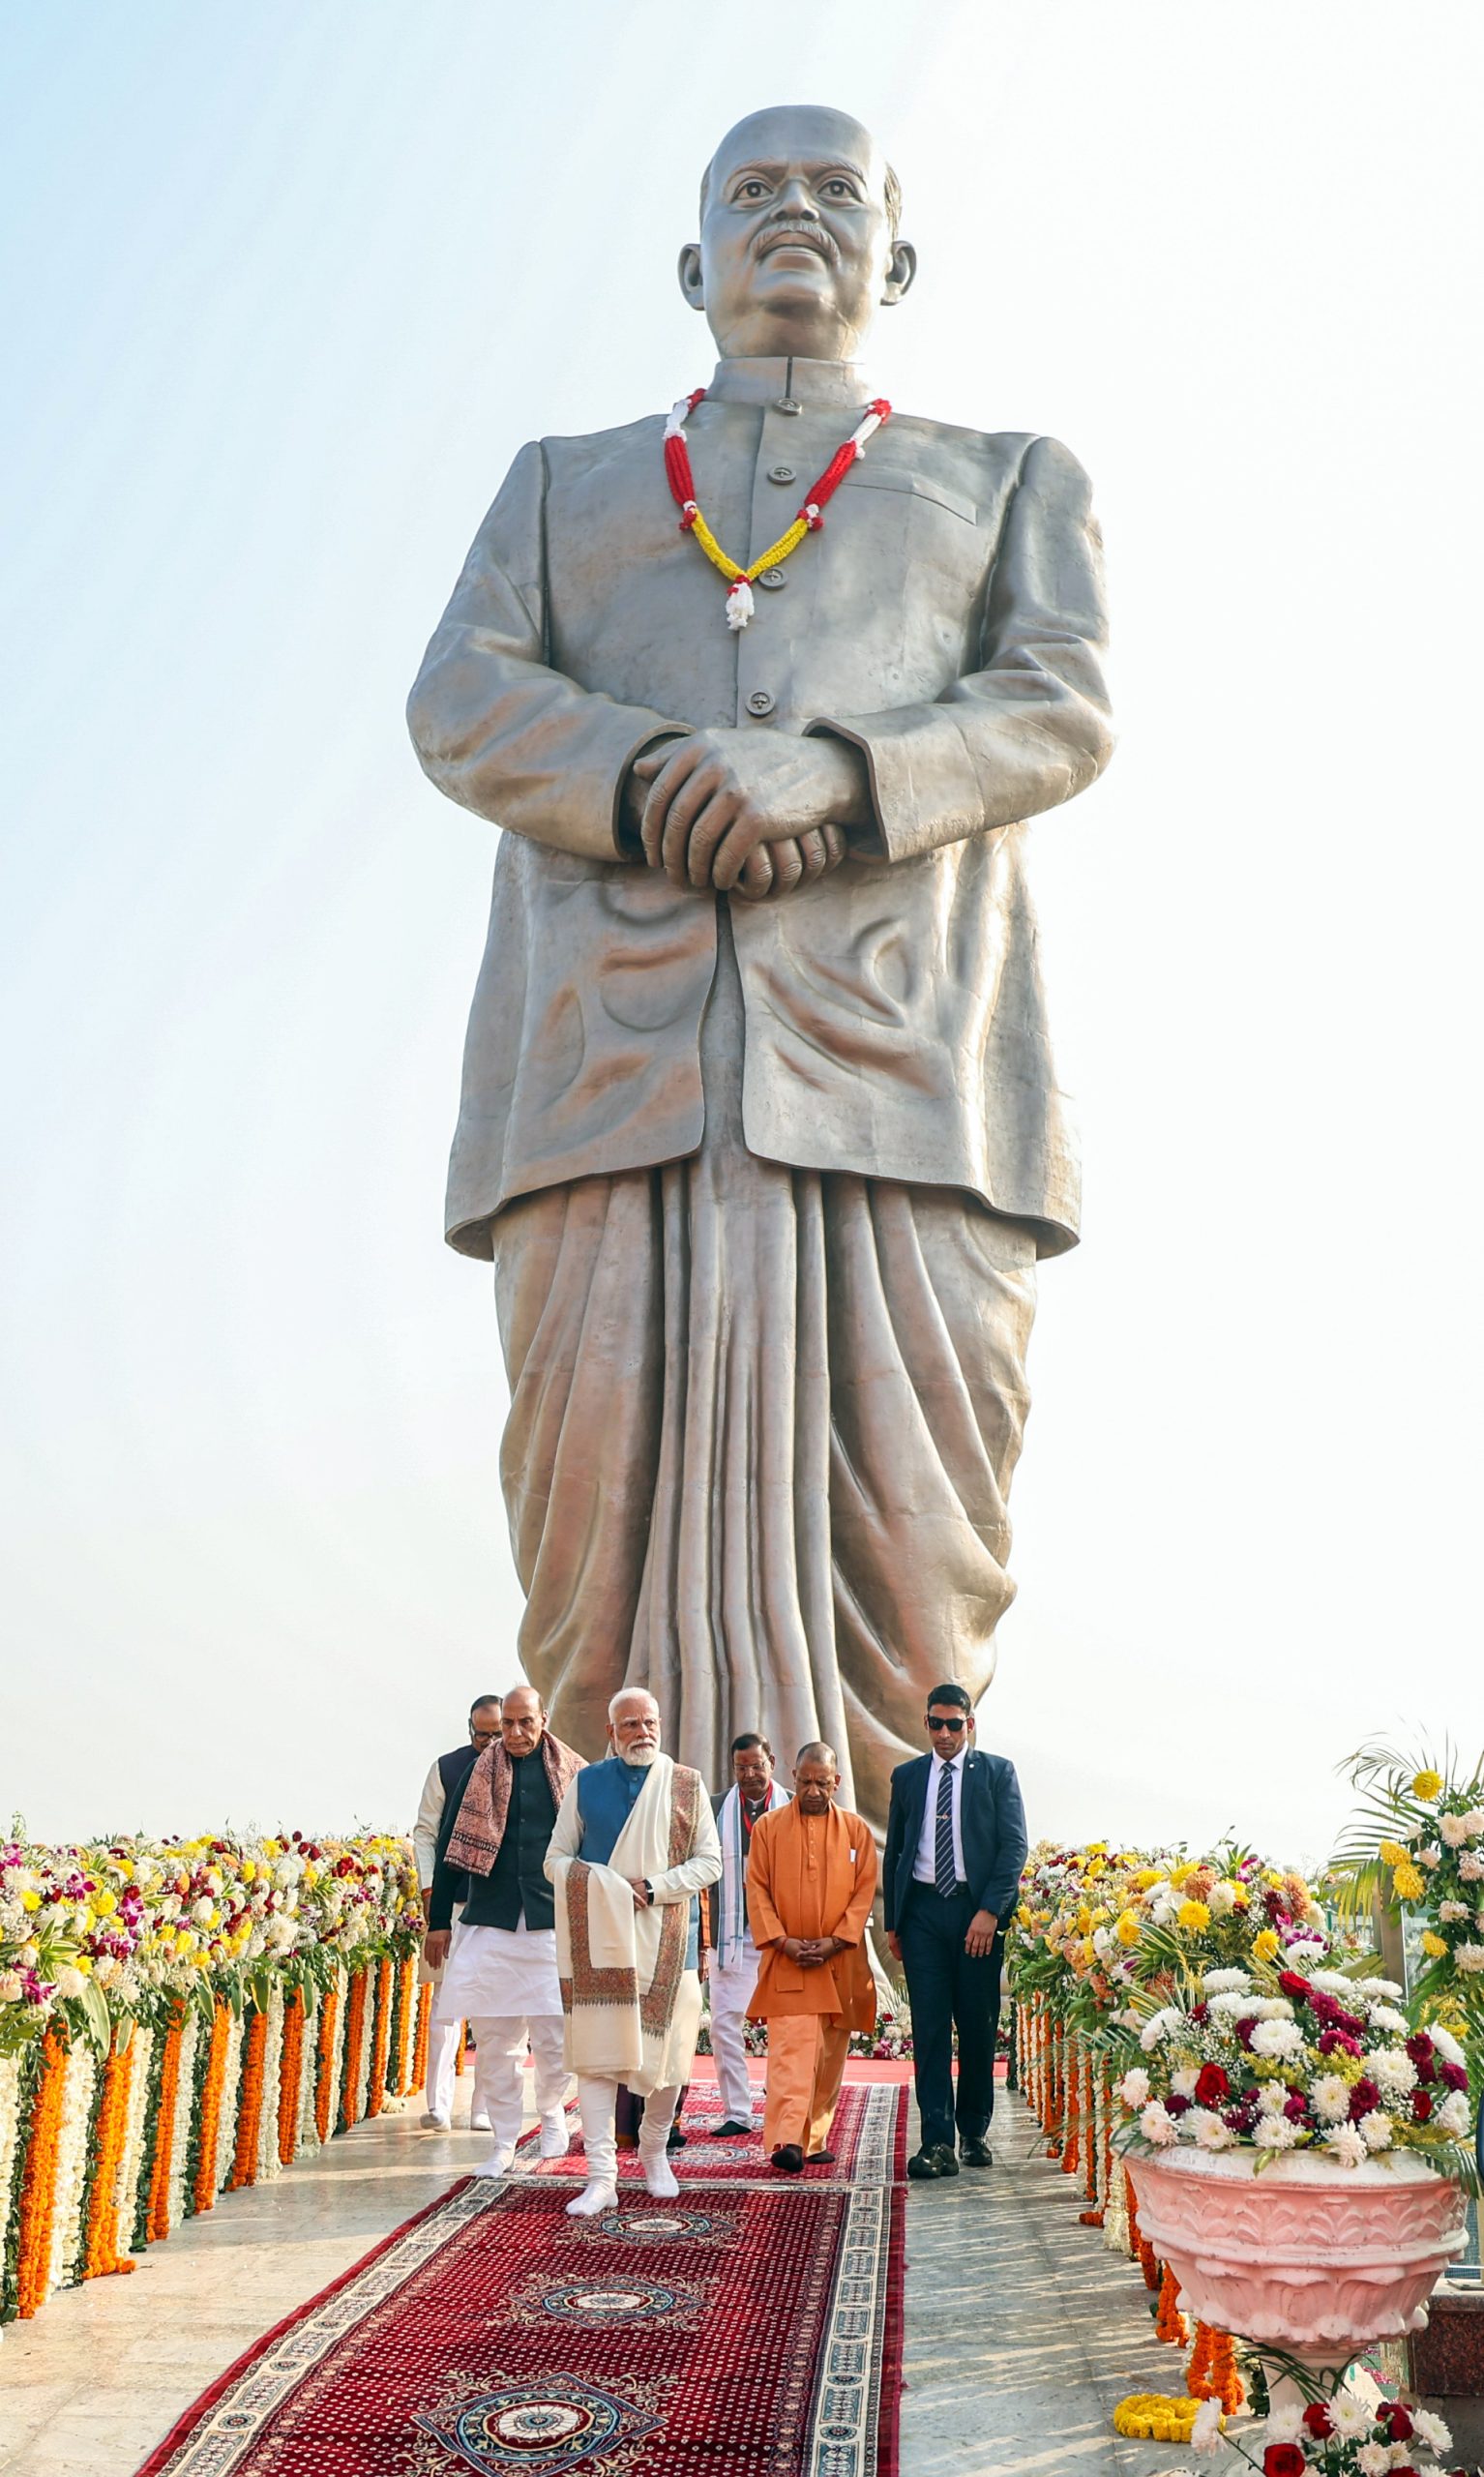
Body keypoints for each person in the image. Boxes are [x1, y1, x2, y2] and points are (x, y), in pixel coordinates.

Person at [406, 104, 1113, 1840]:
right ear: (689, 262)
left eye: (835, 194)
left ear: (896, 259)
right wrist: (647, 777)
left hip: (905, 1053)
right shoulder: (563, 485)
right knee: (585, 1530)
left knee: (918, 1537)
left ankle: (887, 1925)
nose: (791, 216)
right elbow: (461, 699)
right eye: (750, 193)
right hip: (608, 1062)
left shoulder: (1004, 473)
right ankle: (614, 1946)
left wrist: (843, 773)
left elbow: (1059, 702)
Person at [545, 1687, 722, 2216]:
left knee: (668, 2061)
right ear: (610, 1733)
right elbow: (555, 1859)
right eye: (630, 1725)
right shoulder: (585, 1783)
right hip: (599, 1946)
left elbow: (710, 1862)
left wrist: (655, 1887)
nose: (642, 1732)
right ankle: (601, 2176)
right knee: (598, 2063)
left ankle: (653, 2151)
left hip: (671, 1946)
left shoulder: (687, 1785)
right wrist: (600, 1883)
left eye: (650, 1722)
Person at [424, 1685, 583, 2174]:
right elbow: (451, 1843)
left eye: (525, 1723)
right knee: (496, 2042)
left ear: (543, 1719)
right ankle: (504, 2142)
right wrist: (437, 1924)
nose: (514, 1733)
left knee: (555, 2039)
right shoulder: (479, 1771)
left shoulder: (574, 1772)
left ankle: (553, 2112)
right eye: (508, 1724)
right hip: (490, 1921)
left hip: (551, 1921)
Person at [883, 1683, 1027, 2180]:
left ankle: (973, 2133)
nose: (945, 1734)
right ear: (925, 1724)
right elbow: (896, 1853)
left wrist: (990, 1911)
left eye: (954, 1724)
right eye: (936, 1724)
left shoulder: (995, 1774)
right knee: (928, 2028)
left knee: (977, 2024)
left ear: (970, 1724)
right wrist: (894, 1923)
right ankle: (937, 2142)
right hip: (923, 1913)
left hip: (975, 1915)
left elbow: (1014, 1849)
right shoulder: (907, 1777)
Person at [746, 1743, 877, 2172]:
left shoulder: (857, 1831)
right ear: (793, 1778)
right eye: (806, 1782)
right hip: (789, 1960)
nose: (815, 1791)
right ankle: (788, 2140)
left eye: (823, 1783)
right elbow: (758, 1889)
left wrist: (836, 1941)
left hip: (838, 1961)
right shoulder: (767, 1828)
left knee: (828, 2054)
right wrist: (782, 1941)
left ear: (836, 1782)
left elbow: (863, 1894)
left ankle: (815, 2137)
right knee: (792, 2050)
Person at [411, 1693, 502, 2130]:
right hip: (451, 1905)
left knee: (492, 2013)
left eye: (496, 1733)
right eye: (481, 1733)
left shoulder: (520, 1772)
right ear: (470, 1731)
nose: (488, 1742)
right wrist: (431, 1893)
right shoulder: (446, 1768)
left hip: (497, 1908)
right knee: (445, 2010)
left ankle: (482, 2108)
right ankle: (438, 2105)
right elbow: (426, 1833)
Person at [707, 1733, 790, 2135]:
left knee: (785, 2027)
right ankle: (737, 2112)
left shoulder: (793, 1805)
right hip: (731, 1934)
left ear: (771, 1761)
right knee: (723, 2024)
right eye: (742, 1768)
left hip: (782, 1936)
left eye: (757, 1765)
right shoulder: (716, 1808)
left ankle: (781, 2105)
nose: (751, 1774)